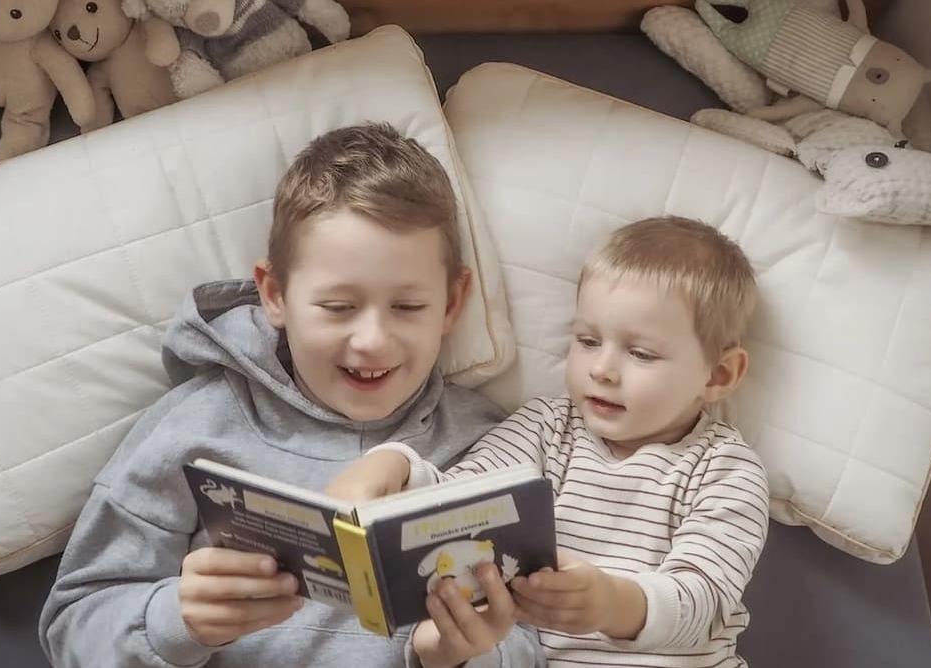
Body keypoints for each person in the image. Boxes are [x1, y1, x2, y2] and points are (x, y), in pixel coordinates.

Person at [38, 123, 544, 668]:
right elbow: (72, 627)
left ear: (452, 303)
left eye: (407, 307)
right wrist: (174, 621)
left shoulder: (493, 446)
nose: (372, 341)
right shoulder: (193, 428)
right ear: (275, 294)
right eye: (338, 307)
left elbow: (539, 642)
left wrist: (463, 653)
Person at [329, 216, 771, 667]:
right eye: (588, 341)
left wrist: (612, 603)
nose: (602, 369)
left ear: (719, 375)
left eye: (640, 353)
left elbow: (704, 602)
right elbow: (461, 505)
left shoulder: (726, 469)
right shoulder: (546, 427)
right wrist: (396, 466)